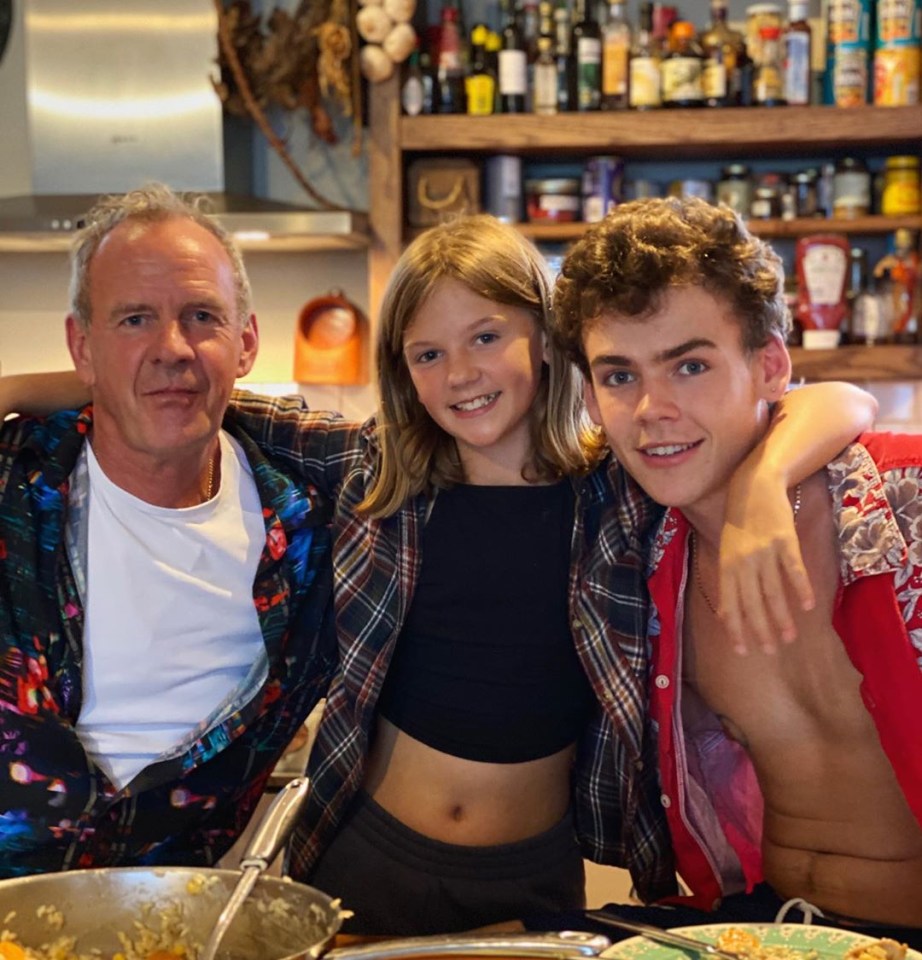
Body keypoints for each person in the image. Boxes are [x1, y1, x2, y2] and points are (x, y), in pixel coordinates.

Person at [0, 212, 875, 933]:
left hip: (533, 869)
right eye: (427, 355)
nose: (460, 374)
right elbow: (181, 390)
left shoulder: (622, 488)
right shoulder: (369, 471)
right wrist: (88, 370)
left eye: (487, 336)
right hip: (362, 850)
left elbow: (835, 400)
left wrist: (763, 483)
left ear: (546, 339)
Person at [550, 196, 922, 943]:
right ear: (591, 397)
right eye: (620, 376)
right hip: (767, 924)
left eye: (690, 365)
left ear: (771, 365)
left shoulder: (905, 506)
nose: (654, 408)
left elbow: (847, 405)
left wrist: (763, 482)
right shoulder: (636, 547)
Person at [0, 184, 334, 877]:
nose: (173, 348)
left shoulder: (307, 531)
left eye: (201, 317)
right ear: (79, 347)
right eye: (133, 320)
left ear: (245, 344)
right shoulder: (14, 486)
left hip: (176, 926)